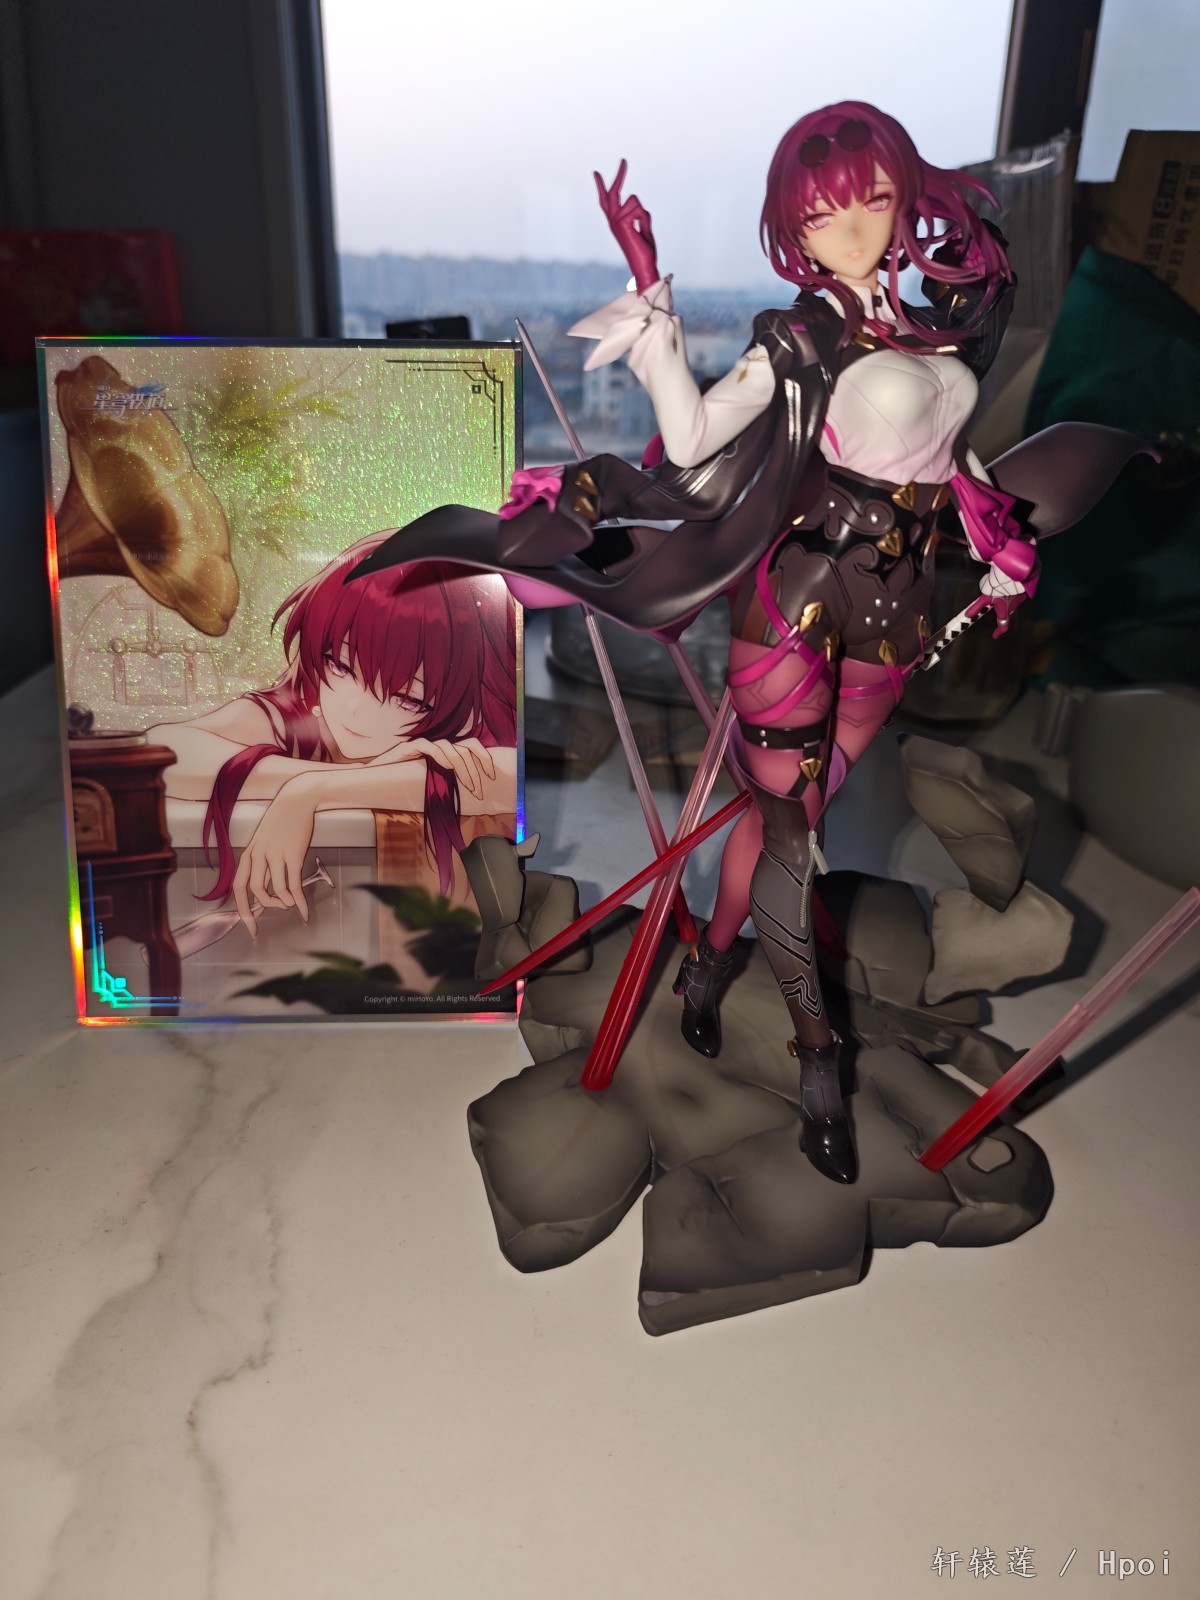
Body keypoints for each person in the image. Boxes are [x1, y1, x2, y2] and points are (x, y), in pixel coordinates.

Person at [348, 102, 1145, 1185]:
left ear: (903, 198)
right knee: (790, 841)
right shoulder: (799, 337)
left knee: (791, 823)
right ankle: (820, 1060)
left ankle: (709, 960)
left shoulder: (931, 330)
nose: (851, 229)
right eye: (820, 216)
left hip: (899, 614)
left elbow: (951, 456)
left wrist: (997, 540)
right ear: (793, 231)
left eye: (872, 200)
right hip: (798, 607)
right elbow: (690, 438)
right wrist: (652, 303)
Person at [148, 538, 517, 937]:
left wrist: (312, 790)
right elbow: (163, 751)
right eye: (340, 666)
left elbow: (513, 778)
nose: (355, 708)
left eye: (407, 697)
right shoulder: (298, 708)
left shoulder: (464, 720)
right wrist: (344, 777)